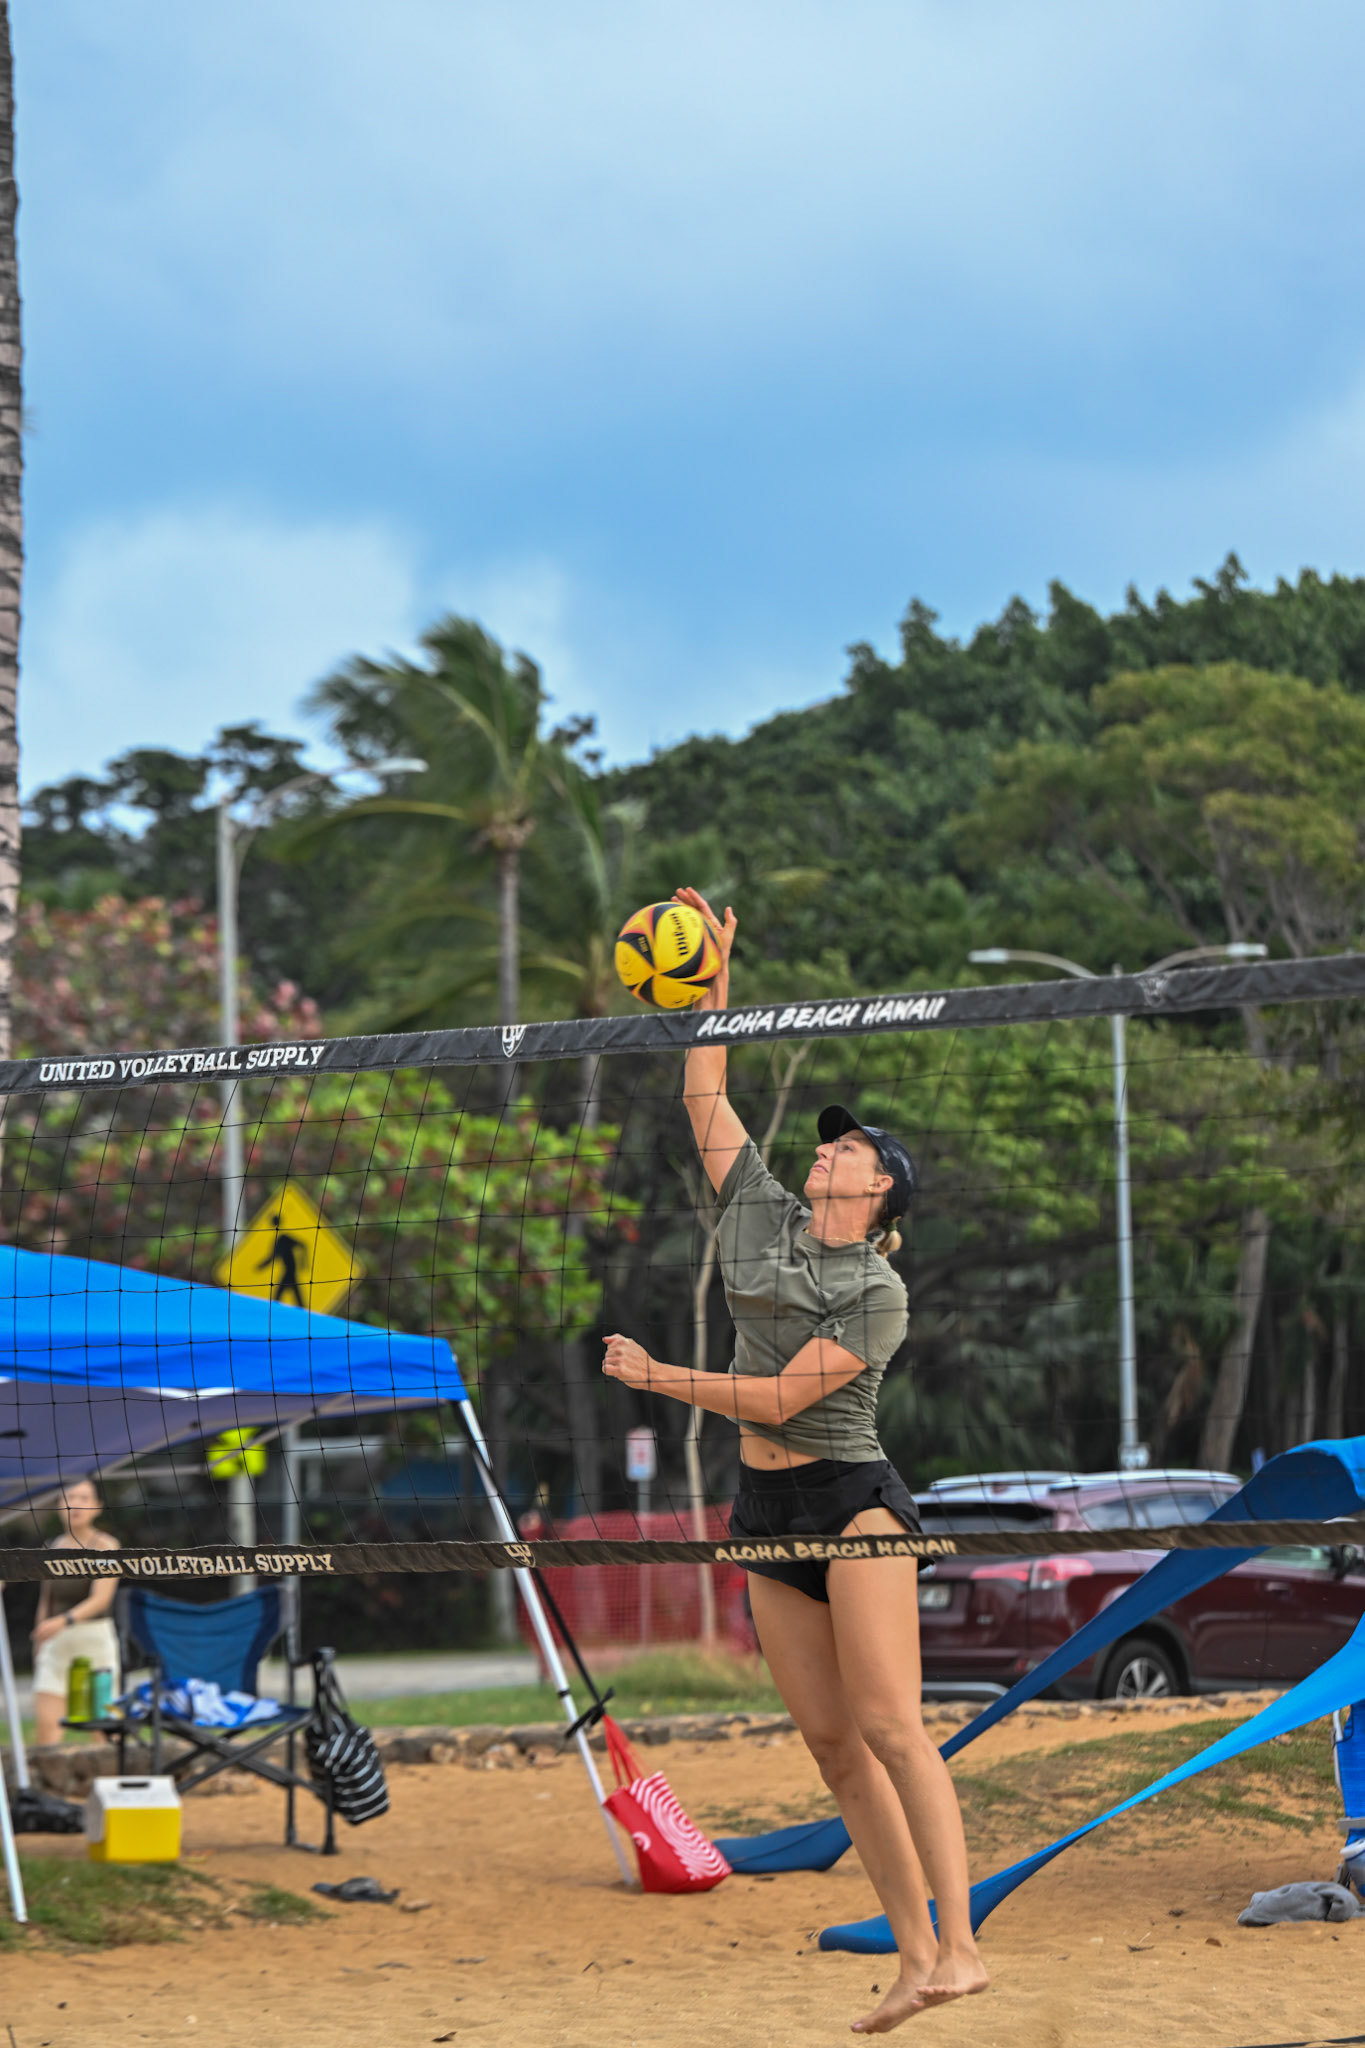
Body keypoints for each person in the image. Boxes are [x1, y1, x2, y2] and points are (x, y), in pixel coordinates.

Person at [603, 888, 987, 2034]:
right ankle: (914, 1953)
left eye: (852, 1145)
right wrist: (715, 973)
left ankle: (963, 1945)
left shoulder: (878, 1287)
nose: (830, 1144)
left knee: (887, 1721)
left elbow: (778, 1394)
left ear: (879, 1194)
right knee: (827, 1744)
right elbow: (704, 1087)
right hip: (765, 1500)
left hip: (852, 1497)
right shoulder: (761, 1209)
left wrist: (663, 1377)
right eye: (830, 1138)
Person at [29, 1477, 122, 1746]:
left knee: (103, 1729)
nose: (76, 1504)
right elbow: (46, 1599)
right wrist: (39, 1642)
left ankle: (107, 1784)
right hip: (56, 1643)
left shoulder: (106, 1544)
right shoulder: (51, 1546)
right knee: (47, 1730)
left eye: (84, 1498)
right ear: (59, 1505)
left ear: (97, 1506)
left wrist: (63, 1621)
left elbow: (100, 1600)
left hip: (94, 1640)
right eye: (70, 1498)